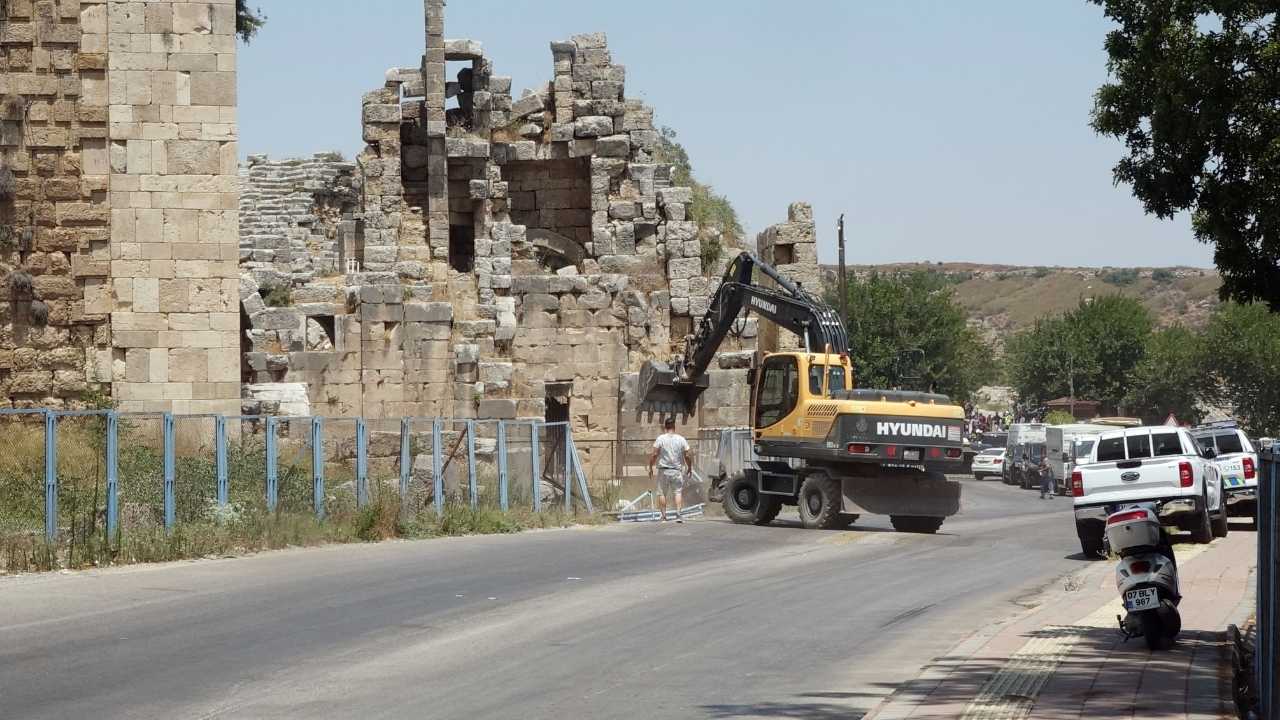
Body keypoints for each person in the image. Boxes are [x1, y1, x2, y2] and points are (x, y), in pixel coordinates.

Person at [648, 417, 692, 522]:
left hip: (663, 470)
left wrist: (650, 467)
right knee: (677, 492)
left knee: (662, 493)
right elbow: (687, 455)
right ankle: (678, 514)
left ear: (665, 427)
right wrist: (690, 467)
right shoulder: (681, 439)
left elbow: (654, 454)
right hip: (676, 470)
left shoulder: (660, 439)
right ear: (674, 427)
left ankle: (663, 516)